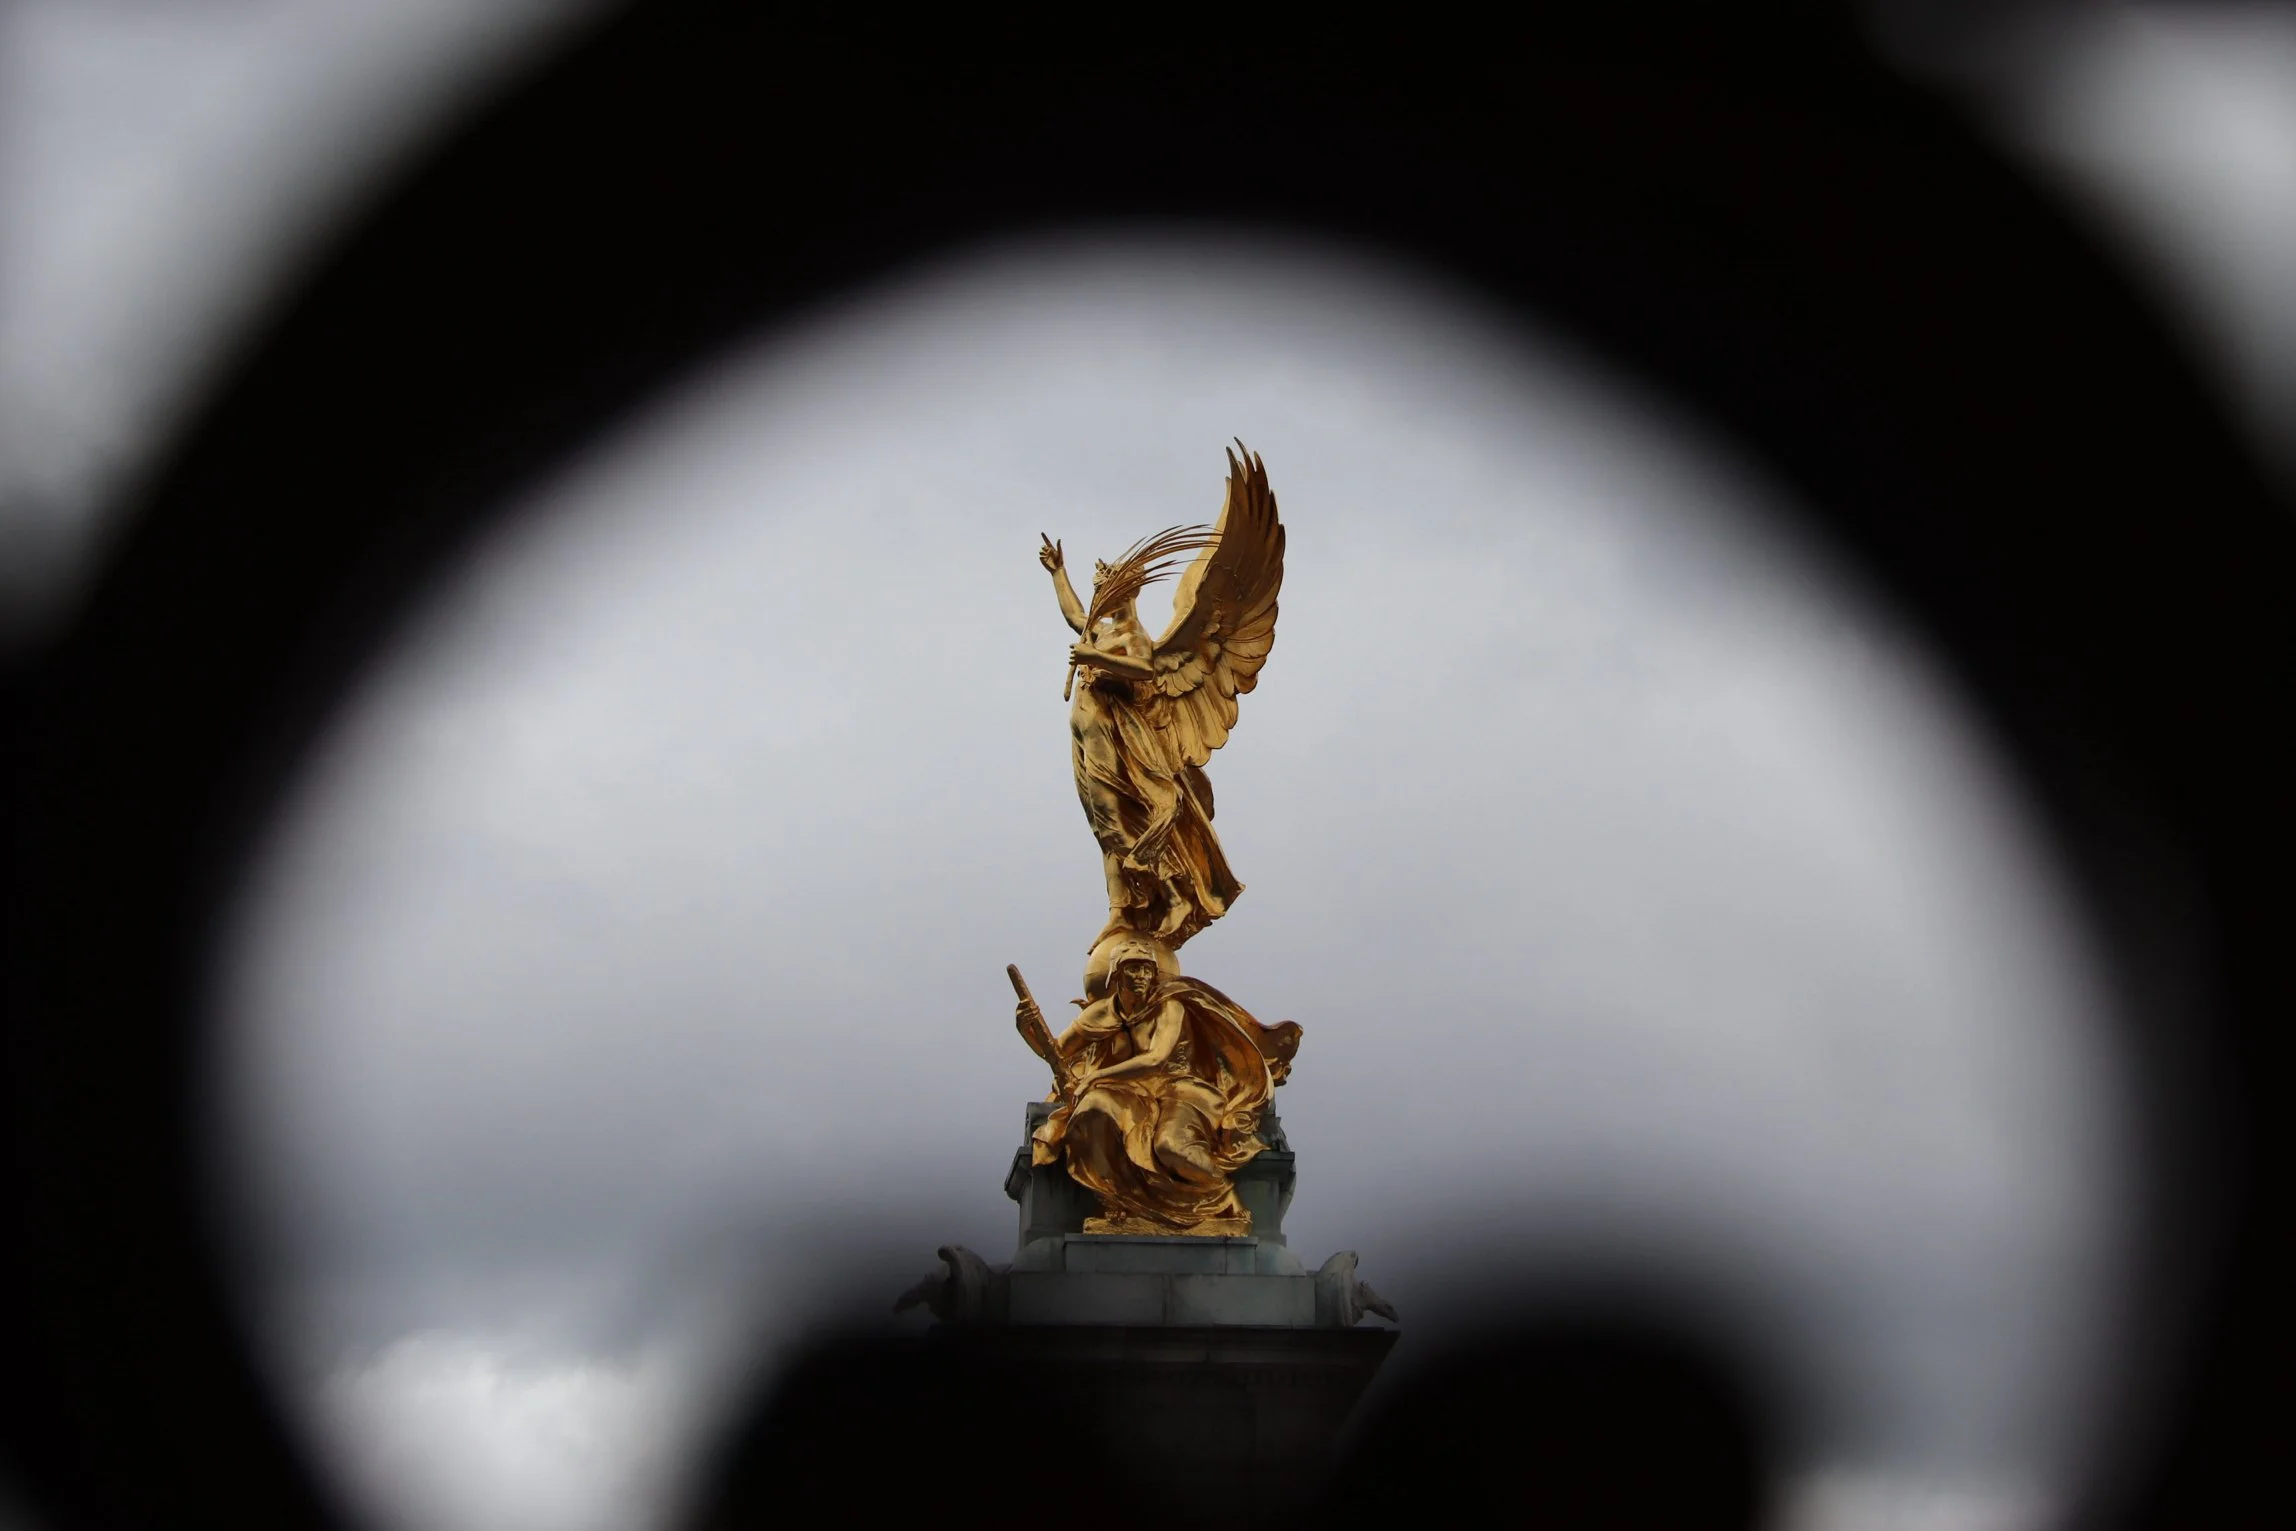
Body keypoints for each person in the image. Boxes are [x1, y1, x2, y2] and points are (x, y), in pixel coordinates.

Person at [1026, 938, 1293, 1231]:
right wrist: (1027, 1029)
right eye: (1133, 969)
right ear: (1116, 974)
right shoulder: (1100, 1014)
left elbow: (1156, 1058)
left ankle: (1223, 1198)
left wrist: (1095, 1077)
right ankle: (1121, 1201)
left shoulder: (1169, 1007)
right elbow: (1056, 1052)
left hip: (1180, 1089)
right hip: (1133, 1093)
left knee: (1171, 1147)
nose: (1141, 976)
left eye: (1147, 969)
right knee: (1091, 1110)